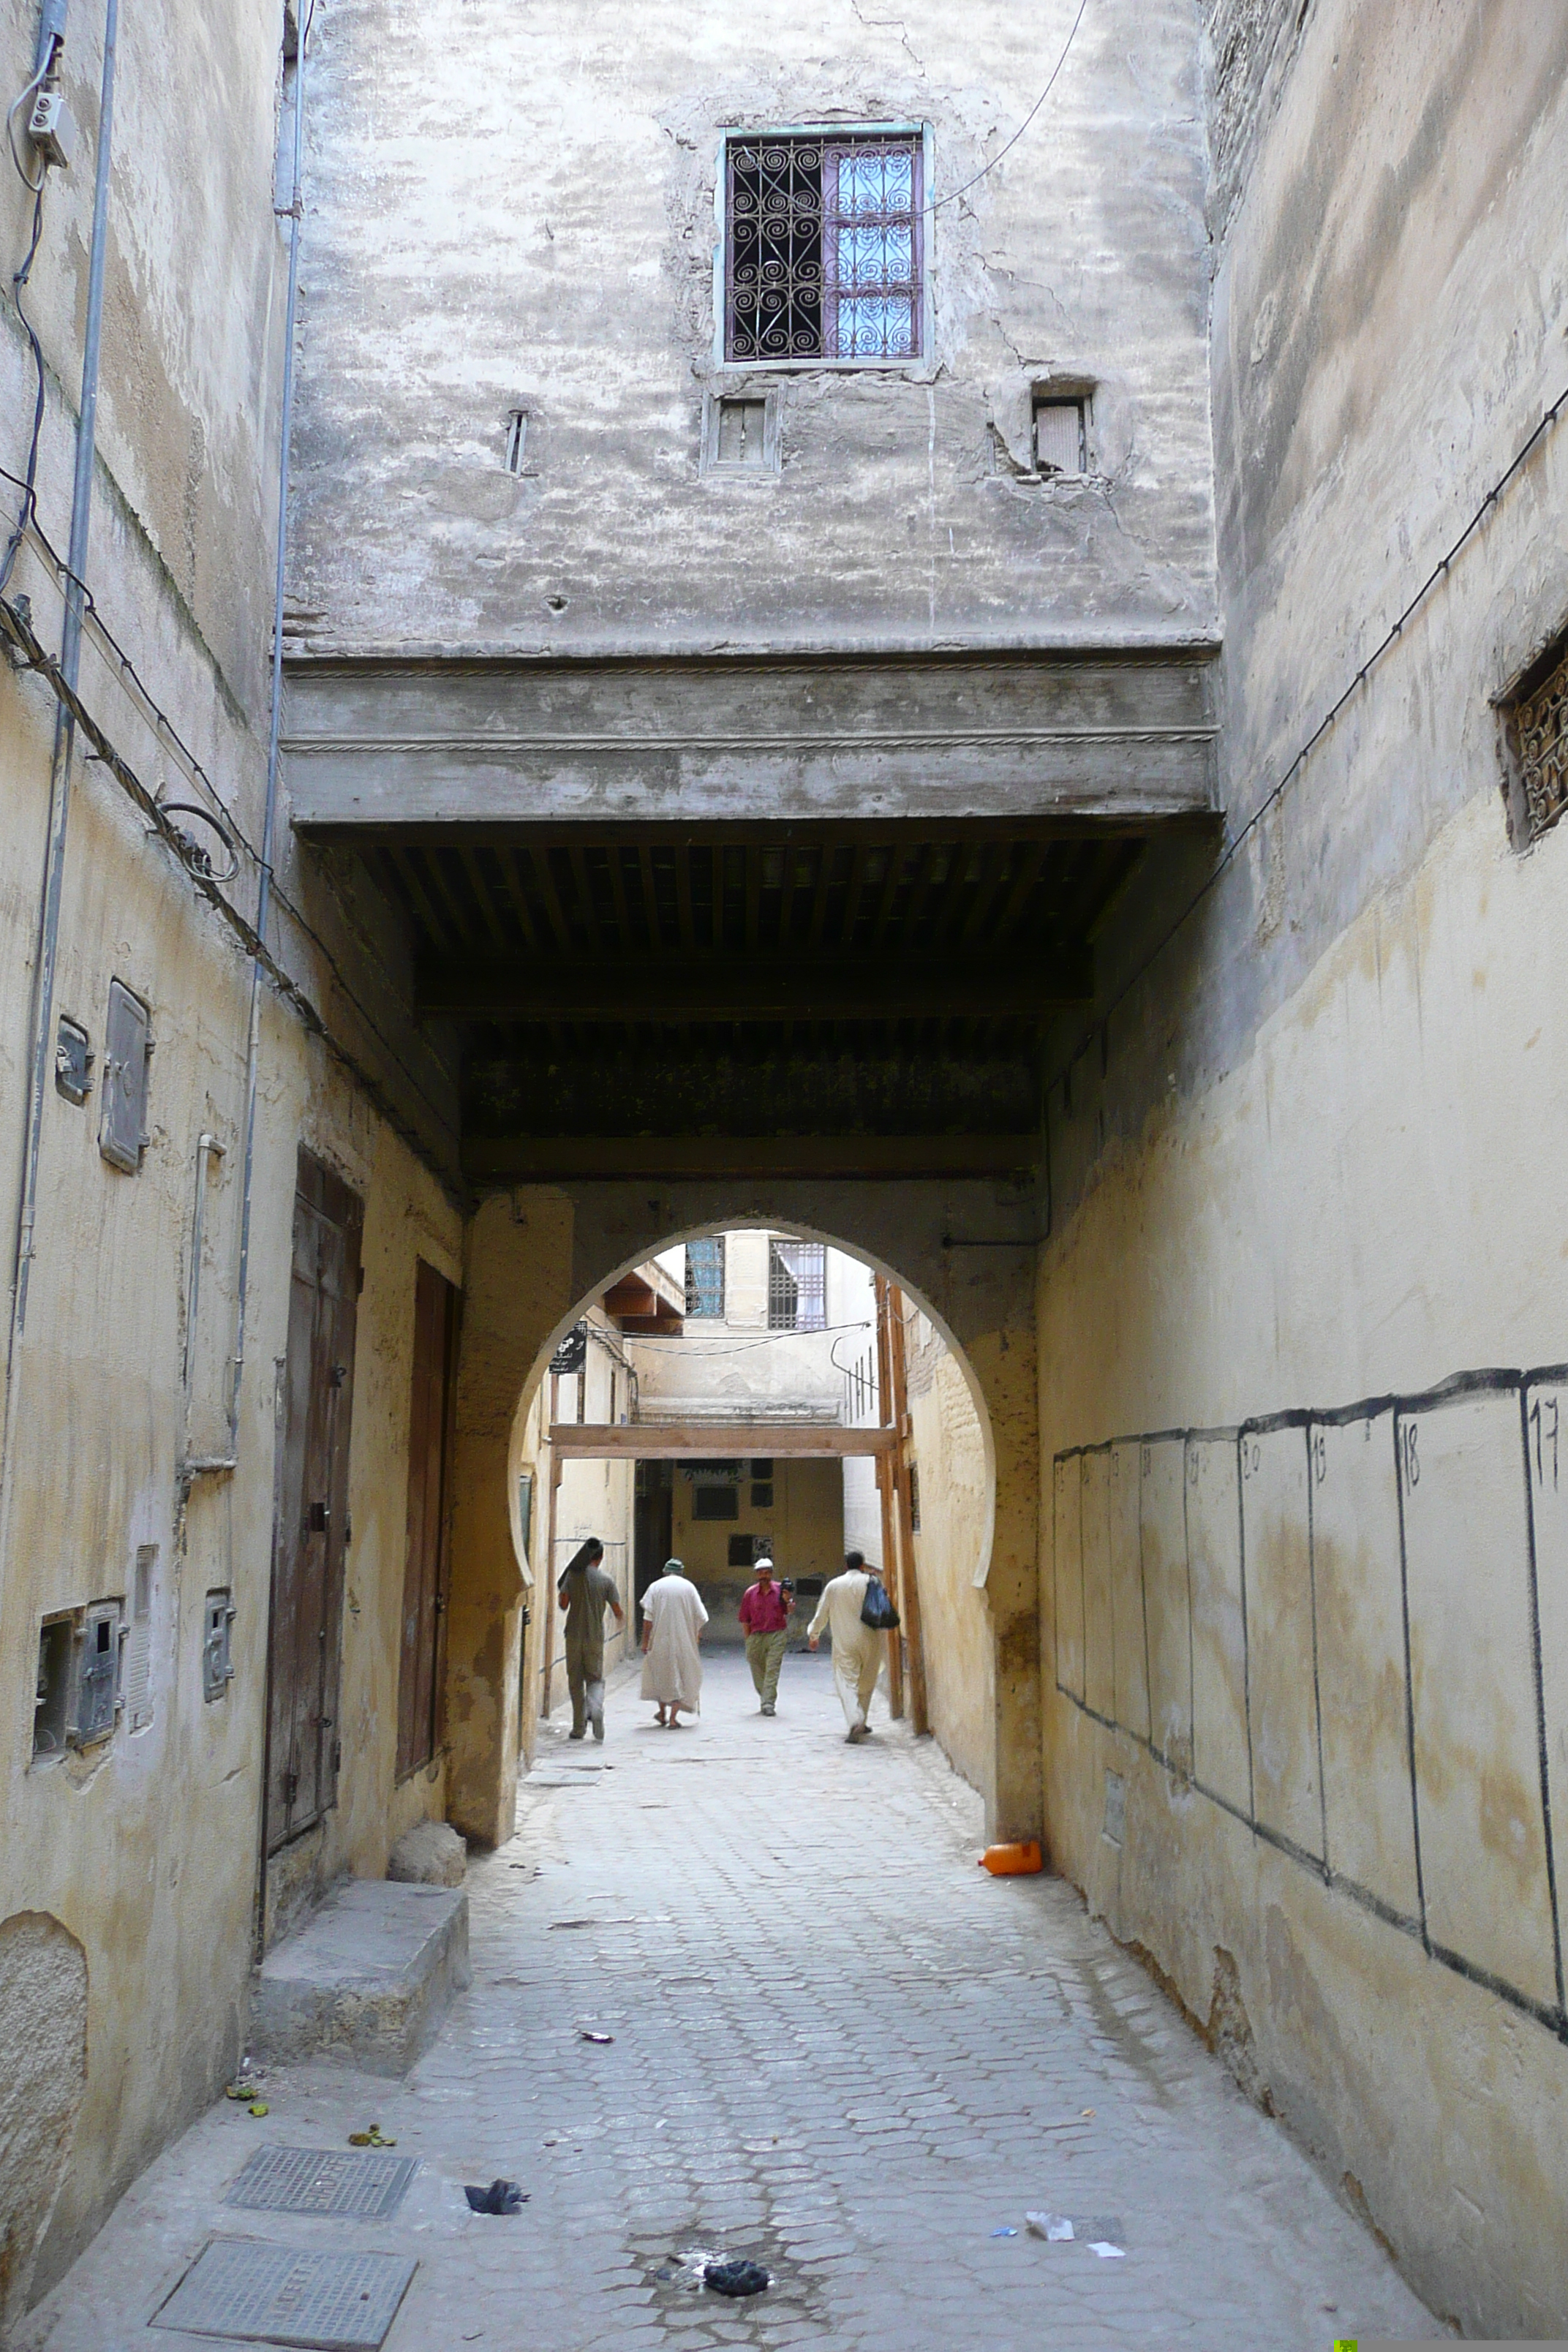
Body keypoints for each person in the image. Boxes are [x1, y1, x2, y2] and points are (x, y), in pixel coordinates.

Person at [807, 1549, 883, 1743]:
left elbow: (821, 1613)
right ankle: (862, 1720)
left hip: (845, 1641)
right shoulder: (872, 1582)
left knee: (847, 1682)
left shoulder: (834, 1586)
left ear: (845, 1566)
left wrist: (813, 1634)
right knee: (866, 1682)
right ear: (862, 1566)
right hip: (871, 1639)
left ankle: (855, 1720)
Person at [556, 1537, 623, 1742]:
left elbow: (563, 1604)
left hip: (573, 1636)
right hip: (595, 1637)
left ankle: (578, 1728)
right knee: (594, 1679)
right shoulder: (607, 1581)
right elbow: (617, 1610)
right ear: (601, 1557)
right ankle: (595, 1707)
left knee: (575, 1682)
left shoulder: (572, 1577)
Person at [640, 1556, 708, 1727]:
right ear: (681, 1573)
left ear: (665, 1572)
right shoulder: (689, 1588)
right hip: (684, 1642)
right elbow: (701, 1616)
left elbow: (648, 1619)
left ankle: (662, 1713)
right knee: (681, 1676)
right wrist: (696, 1636)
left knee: (662, 1676)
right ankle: (673, 1718)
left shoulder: (655, 1587)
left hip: (660, 1641)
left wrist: (645, 1642)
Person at [738, 1553, 793, 1716]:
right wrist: (748, 1640)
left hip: (777, 1634)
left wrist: (787, 1599)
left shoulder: (780, 1590)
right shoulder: (750, 1594)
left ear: (771, 1573)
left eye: (767, 1572)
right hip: (756, 1635)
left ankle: (768, 1703)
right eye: (761, 1573)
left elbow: (789, 1610)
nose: (764, 1576)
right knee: (756, 1668)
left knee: (772, 1669)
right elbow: (744, 1619)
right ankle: (765, 1696)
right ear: (757, 1574)